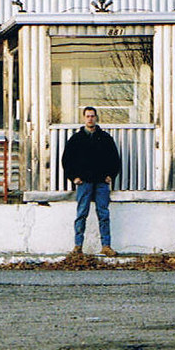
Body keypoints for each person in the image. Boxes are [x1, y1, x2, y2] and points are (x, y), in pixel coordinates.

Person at [61, 106, 121, 257]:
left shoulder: (105, 138)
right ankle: (78, 246)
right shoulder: (76, 139)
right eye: (88, 116)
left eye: (93, 116)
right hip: (84, 182)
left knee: (103, 214)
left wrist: (110, 175)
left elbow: (115, 159)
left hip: (101, 182)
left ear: (96, 118)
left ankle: (106, 246)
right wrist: (73, 177)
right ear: (84, 118)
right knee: (81, 213)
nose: (90, 119)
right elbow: (67, 160)